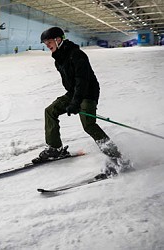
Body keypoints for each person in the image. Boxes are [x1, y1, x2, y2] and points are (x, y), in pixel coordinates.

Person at [37, 27, 131, 175]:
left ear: (58, 39)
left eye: (49, 41)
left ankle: (119, 159)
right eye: (45, 43)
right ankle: (55, 148)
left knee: (89, 124)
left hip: (88, 93)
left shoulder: (77, 55)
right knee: (50, 111)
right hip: (74, 93)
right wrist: (72, 99)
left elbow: (82, 81)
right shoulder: (59, 58)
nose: (47, 45)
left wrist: (75, 103)